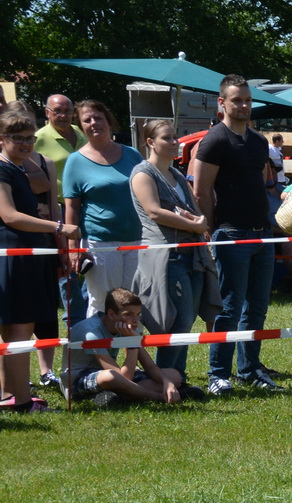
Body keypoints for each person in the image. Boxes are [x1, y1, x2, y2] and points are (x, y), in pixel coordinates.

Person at [194, 76, 279, 395]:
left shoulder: (258, 143)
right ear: (222, 103)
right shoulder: (215, 140)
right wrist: (211, 231)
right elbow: (201, 191)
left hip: (262, 234)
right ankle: (218, 373)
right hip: (230, 234)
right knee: (228, 307)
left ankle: (249, 369)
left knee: (257, 307)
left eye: (247, 100)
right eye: (237, 100)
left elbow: (260, 184)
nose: (244, 105)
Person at [1, 104, 72, 411]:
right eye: (17, 137)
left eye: (30, 137)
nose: (26, 143)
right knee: (18, 330)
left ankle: (8, 395)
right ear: (2, 138)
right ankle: (22, 401)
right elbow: (9, 215)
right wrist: (58, 226)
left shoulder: (17, 168)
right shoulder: (3, 169)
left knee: (13, 331)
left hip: (23, 254)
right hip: (15, 255)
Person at [130, 118, 211, 384]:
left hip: (192, 253)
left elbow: (195, 207)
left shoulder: (176, 174)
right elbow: (154, 211)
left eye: (175, 137)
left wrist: (200, 224)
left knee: (186, 322)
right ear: (150, 142)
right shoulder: (143, 173)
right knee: (178, 320)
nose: (175, 142)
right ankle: (164, 378)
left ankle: (177, 376)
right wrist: (194, 225)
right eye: (168, 138)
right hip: (167, 255)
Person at [61, 100, 143, 321]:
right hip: (100, 243)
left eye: (98, 117)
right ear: (81, 126)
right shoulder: (75, 161)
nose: (93, 123)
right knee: (103, 303)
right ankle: (100, 353)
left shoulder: (132, 154)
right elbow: (72, 208)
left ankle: (130, 353)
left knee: (132, 303)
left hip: (136, 240)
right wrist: (73, 248)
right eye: (87, 120)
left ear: (108, 121)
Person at [65, 287, 197, 406]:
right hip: (77, 381)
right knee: (111, 377)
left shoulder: (125, 327)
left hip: (115, 379)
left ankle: (117, 397)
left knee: (174, 375)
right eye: (128, 314)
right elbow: (123, 377)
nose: (135, 320)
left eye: (138, 314)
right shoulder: (91, 332)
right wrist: (132, 344)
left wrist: (167, 382)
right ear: (111, 314)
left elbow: (150, 366)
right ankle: (159, 397)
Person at [33, 93, 84, 376]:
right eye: (58, 111)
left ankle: (84, 347)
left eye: (67, 110)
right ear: (47, 112)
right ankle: (56, 365)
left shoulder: (81, 133)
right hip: (58, 214)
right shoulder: (38, 138)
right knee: (66, 282)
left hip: (86, 211)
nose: (63, 115)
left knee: (84, 278)